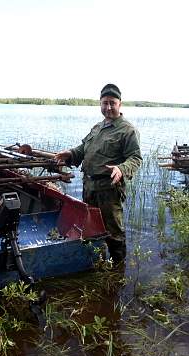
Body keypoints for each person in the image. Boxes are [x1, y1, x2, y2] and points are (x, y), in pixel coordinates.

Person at [54, 84, 142, 262]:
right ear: (100, 104)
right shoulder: (97, 127)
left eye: (112, 103)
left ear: (120, 104)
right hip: (89, 187)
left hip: (109, 189)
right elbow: (84, 148)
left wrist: (121, 169)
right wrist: (71, 154)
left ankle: (118, 269)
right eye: (105, 103)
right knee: (91, 227)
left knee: (113, 232)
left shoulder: (128, 130)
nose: (108, 107)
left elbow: (135, 158)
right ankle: (98, 263)